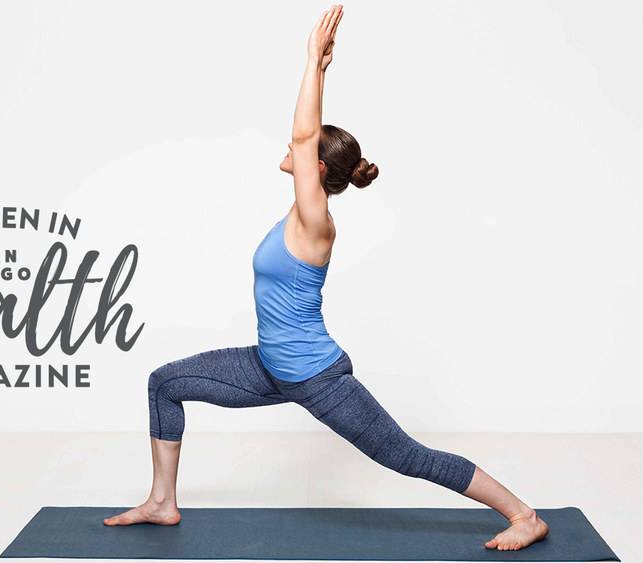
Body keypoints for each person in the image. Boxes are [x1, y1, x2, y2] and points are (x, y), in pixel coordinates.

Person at [105, 4, 549, 552]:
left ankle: (524, 514)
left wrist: (312, 60)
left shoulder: (316, 223)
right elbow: (305, 137)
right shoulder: (295, 215)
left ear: (317, 169)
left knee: (407, 456)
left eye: (305, 151)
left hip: (315, 376)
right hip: (269, 366)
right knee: (165, 383)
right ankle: (161, 502)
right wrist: (320, 71)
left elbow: (304, 133)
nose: (291, 147)